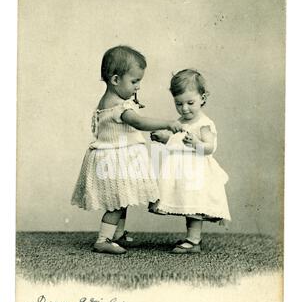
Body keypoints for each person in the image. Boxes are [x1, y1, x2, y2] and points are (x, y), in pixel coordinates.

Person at [71, 45, 183, 254]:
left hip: (111, 158)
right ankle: (103, 239)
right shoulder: (120, 107)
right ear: (115, 80)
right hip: (116, 161)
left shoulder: (110, 101)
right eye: (134, 81)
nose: (138, 87)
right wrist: (166, 124)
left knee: (121, 199)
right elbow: (138, 123)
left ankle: (117, 235)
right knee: (116, 203)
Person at [150, 69, 231, 253]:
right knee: (187, 203)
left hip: (197, 171)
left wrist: (197, 143)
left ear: (203, 98)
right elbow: (175, 139)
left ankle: (194, 241)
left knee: (194, 204)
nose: (184, 108)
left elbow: (210, 148)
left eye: (190, 103)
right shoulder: (180, 121)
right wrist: (163, 137)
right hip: (182, 172)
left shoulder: (204, 123)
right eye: (179, 103)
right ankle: (191, 238)